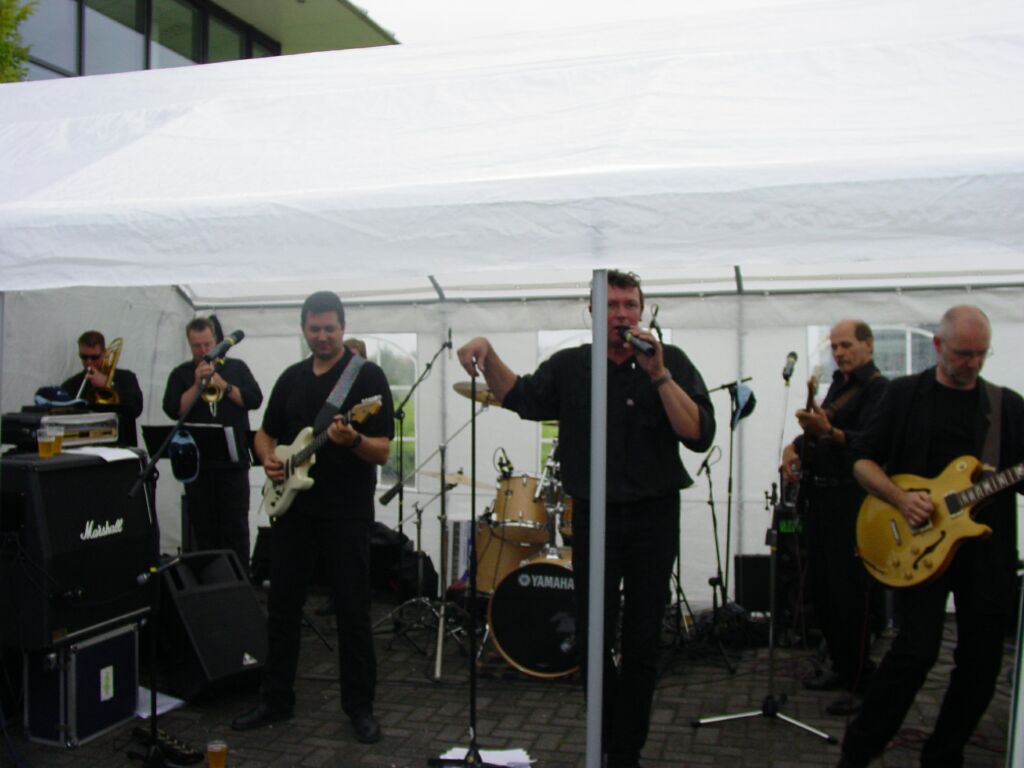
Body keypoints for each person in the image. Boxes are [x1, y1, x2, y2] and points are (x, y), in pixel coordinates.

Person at [458, 270, 715, 768]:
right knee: (593, 634)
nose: (621, 314)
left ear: (642, 310)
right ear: (593, 313)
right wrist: (487, 353)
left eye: (629, 304)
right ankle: (604, 736)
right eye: (611, 305)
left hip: (654, 515)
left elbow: (699, 435)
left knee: (643, 637)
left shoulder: (673, 361)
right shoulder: (572, 365)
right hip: (595, 516)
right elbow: (519, 397)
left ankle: (626, 751)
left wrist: (659, 374)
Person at [837, 305, 1024, 768]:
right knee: (914, 652)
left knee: (982, 664)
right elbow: (862, 460)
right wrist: (901, 500)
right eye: (963, 354)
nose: (973, 363)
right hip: (917, 544)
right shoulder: (903, 395)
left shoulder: (1006, 406)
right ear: (938, 346)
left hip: (986, 551)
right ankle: (858, 752)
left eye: (981, 354)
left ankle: (943, 756)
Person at [232, 292, 394, 745]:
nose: (322, 336)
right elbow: (265, 433)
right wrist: (268, 458)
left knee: (352, 612)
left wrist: (352, 439)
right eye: (314, 328)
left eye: (330, 328)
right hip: (293, 512)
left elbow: (383, 450)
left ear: (343, 327)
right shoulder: (291, 377)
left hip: (346, 513)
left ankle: (359, 708)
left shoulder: (367, 377)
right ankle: (276, 698)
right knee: (282, 608)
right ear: (303, 328)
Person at [781, 320, 887, 716]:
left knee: (850, 595)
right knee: (822, 590)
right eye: (835, 346)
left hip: (852, 502)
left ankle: (862, 681)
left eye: (846, 345)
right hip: (821, 499)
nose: (839, 353)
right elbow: (821, 429)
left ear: (868, 344)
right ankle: (842, 668)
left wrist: (830, 432)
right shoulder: (839, 386)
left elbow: (871, 444)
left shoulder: (879, 389)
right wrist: (793, 448)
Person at [162, 318, 263, 569]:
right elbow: (174, 410)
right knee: (203, 528)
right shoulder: (181, 373)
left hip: (233, 463)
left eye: (207, 344)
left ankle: (240, 578)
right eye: (196, 346)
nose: (203, 350)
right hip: (198, 466)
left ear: (217, 340)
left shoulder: (237, 367)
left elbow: (254, 400)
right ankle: (209, 579)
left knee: (235, 526)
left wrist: (223, 385)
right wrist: (197, 385)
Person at [61, 330, 144, 447]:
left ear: (104, 353)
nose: (89, 362)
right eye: (84, 357)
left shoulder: (126, 378)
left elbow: (136, 409)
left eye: (94, 357)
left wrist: (108, 384)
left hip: (121, 447)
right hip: (84, 447)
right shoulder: (71, 384)